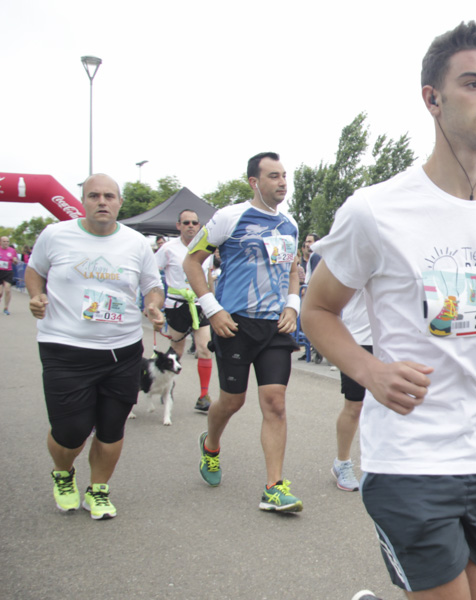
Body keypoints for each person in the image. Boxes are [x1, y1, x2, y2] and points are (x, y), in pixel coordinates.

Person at [300, 21, 476, 600]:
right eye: (473, 83)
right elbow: (316, 310)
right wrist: (369, 371)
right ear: (432, 99)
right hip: (411, 454)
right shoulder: (376, 210)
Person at [26, 173, 165, 519]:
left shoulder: (136, 243)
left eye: (109, 196)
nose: (102, 202)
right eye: (94, 196)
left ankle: (98, 490)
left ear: (119, 202)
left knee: (111, 427)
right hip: (65, 348)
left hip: (122, 351)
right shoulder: (56, 235)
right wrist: (36, 295)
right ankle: (63, 473)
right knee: (71, 433)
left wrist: (153, 305)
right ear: (83, 201)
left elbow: (153, 284)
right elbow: (33, 271)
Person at [184, 151, 303, 512]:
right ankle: (211, 445)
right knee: (233, 401)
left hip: (275, 327)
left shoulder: (290, 225)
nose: (282, 182)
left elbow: (293, 269)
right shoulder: (229, 218)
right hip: (234, 323)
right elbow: (192, 260)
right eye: (273, 176)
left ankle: (274, 487)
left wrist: (292, 306)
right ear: (254, 182)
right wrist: (212, 310)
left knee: (275, 404)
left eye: (284, 175)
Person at [154, 209, 215, 412]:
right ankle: (167, 388)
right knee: (176, 351)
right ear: (178, 225)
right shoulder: (168, 249)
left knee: (205, 348)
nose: (190, 226)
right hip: (177, 305)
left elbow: (209, 277)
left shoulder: (206, 248)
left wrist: (213, 303)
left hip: (200, 304)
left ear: (199, 226)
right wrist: (154, 303)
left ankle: (203, 395)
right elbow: (153, 273)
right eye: (186, 222)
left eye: (194, 223)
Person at [332, 287, 373, 492]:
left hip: (391, 340)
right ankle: (342, 462)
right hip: (357, 340)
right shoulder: (357, 255)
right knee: (354, 405)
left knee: (396, 405)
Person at [0, 235, 17, 315]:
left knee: (7, 289)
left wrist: (15, 260)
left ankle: (6, 308)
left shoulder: (12, 251)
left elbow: (16, 261)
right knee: (0, 292)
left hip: (8, 272)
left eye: (7, 241)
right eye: (4, 241)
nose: (6, 243)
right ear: (1, 242)